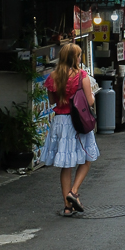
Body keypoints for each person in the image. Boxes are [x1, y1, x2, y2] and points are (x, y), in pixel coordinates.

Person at [40, 43, 99, 217]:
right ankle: (73, 192)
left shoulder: (53, 76)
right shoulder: (82, 76)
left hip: (60, 122)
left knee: (66, 165)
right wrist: (93, 95)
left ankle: (67, 207)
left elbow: (52, 101)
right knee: (87, 158)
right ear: (74, 58)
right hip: (76, 122)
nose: (80, 58)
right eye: (79, 55)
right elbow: (89, 102)